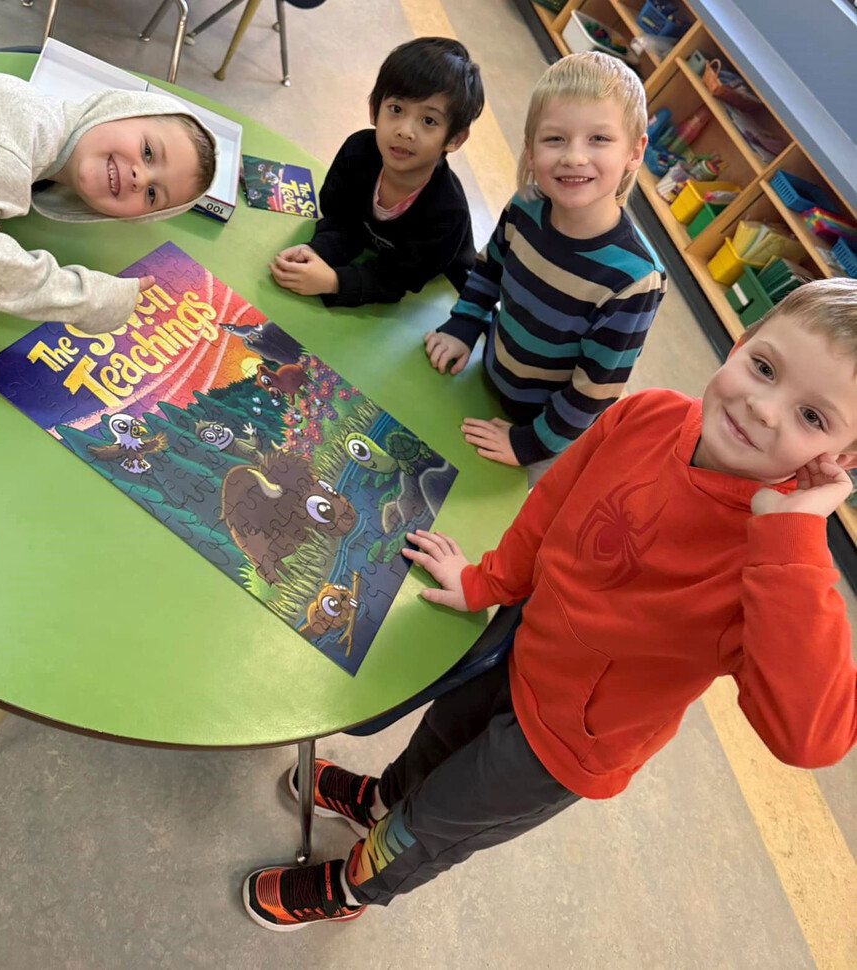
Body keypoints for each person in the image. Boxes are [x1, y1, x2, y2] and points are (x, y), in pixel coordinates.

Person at [242, 277, 857, 930]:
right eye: (765, 368)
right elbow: (554, 500)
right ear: (742, 343)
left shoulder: (776, 559)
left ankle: (349, 888)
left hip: (561, 748)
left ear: (842, 458)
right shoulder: (645, 415)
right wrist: (490, 580)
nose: (765, 409)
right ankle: (380, 798)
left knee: (432, 826)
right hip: (516, 647)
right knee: (434, 743)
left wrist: (792, 534)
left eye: (812, 417)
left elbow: (810, 735)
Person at [424, 51, 666, 468]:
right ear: (531, 149)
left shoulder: (634, 279)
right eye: (555, 138)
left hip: (546, 434)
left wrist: (530, 445)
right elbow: (490, 268)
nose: (573, 156)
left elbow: (595, 388)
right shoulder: (527, 204)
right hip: (485, 381)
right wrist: (465, 325)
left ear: (635, 150)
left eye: (599, 139)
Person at [0, 53, 217, 335]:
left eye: (152, 194)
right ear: (119, 111)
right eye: (148, 151)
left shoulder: (44, 151)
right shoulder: (28, 127)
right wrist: (83, 298)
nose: (140, 176)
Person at [267, 36, 484, 307]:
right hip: (375, 255)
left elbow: (399, 278)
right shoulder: (357, 152)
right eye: (396, 109)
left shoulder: (448, 212)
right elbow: (342, 220)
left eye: (428, 120)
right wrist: (317, 250)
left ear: (454, 139)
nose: (405, 130)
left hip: (439, 285)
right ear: (374, 109)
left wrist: (335, 282)